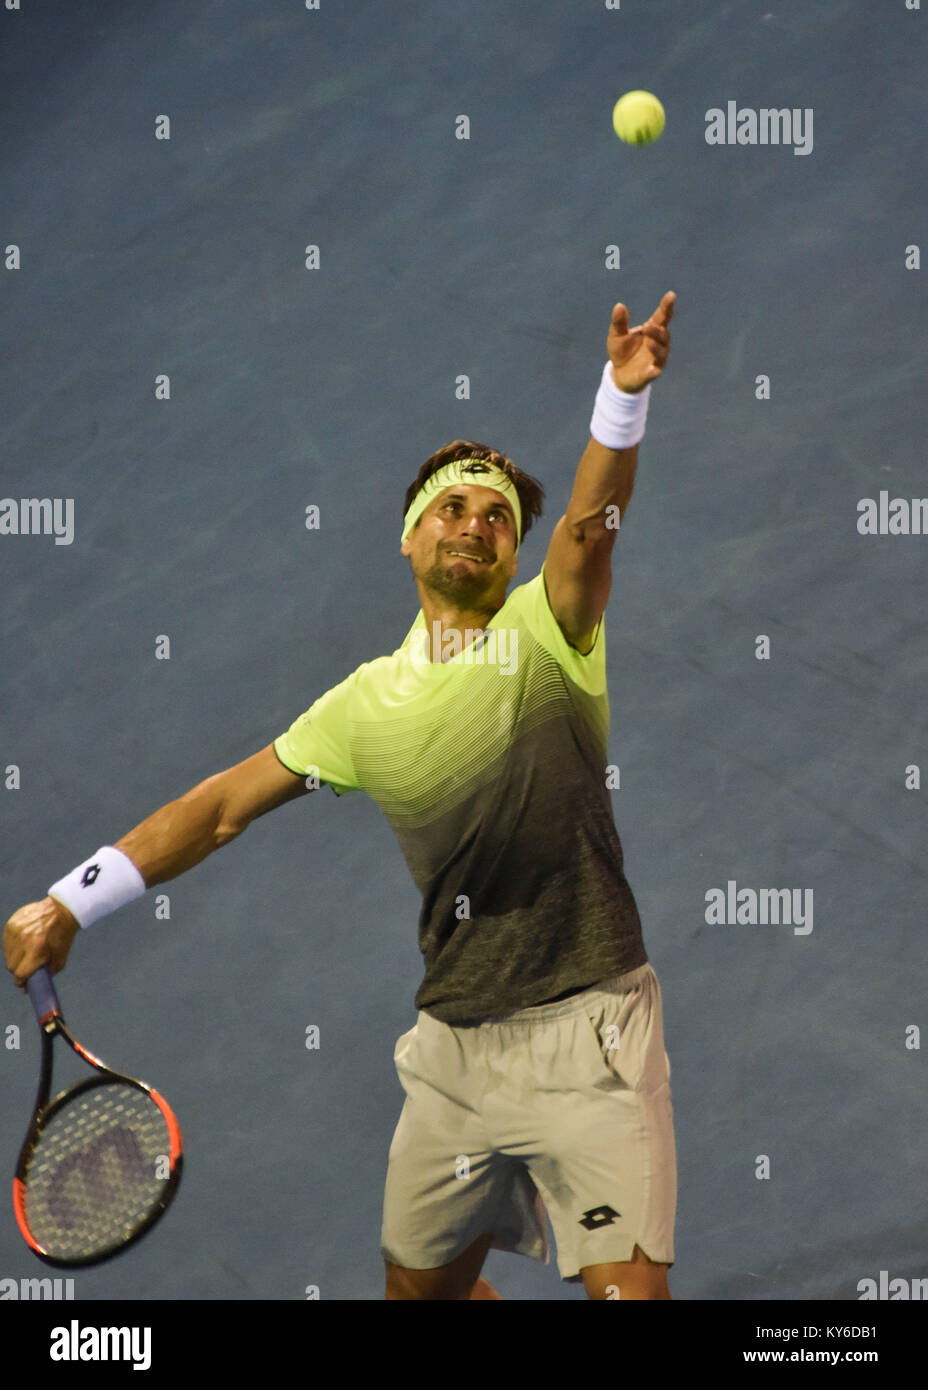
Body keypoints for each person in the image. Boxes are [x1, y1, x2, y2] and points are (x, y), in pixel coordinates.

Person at [5, 293, 676, 1301]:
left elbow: (587, 530)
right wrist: (69, 901)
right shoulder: (361, 706)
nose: (476, 524)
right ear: (409, 540)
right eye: (452, 506)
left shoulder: (549, 634)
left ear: (513, 555)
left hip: (593, 1033)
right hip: (453, 1051)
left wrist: (617, 397)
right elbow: (220, 806)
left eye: (499, 517)